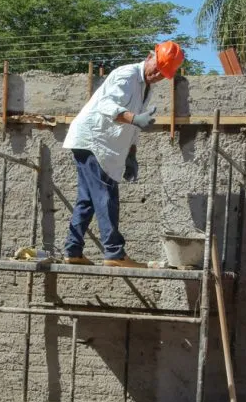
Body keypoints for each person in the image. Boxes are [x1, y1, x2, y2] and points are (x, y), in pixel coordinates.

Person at [61, 41, 185, 268]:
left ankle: (73, 250)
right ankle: (114, 252)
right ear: (150, 56)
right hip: (92, 140)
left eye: (162, 73)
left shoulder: (146, 87)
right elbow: (107, 105)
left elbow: (132, 126)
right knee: (106, 194)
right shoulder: (127, 75)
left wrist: (131, 154)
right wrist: (134, 118)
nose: (157, 74)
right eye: (156, 68)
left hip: (101, 144)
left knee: (87, 199)